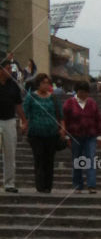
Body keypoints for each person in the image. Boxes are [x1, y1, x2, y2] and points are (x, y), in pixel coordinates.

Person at [22, 73, 66, 192]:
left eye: (48, 83)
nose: (46, 85)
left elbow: (60, 114)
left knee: (49, 160)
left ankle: (48, 186)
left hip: (51, 133)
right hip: (36, 133)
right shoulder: (31, 97)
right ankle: (40, 185)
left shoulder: (53, 97)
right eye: (44, 83)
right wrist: (24, 124)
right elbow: (24, 113)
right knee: (39, 158)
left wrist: (62, 128)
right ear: (38, 84)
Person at [63, 80, 101, 192]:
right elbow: (65, 120)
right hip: (75, 136)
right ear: (77, 91)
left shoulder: (92, 103)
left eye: (86, 92)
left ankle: (91, 185)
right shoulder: (69, 103)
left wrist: (99, 136)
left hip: (90, 136)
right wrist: (67, 136)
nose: (83, 95)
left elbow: (98, 120)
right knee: (77, 161)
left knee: (90, 159)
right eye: (81, 92)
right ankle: (77, 185)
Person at [0, 56, 27, 191]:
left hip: (10, 120)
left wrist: (24, 120)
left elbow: (18, 104)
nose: (11, 71)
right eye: (8, 68)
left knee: (10, 153)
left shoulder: (13, 85)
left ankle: (9, 183)